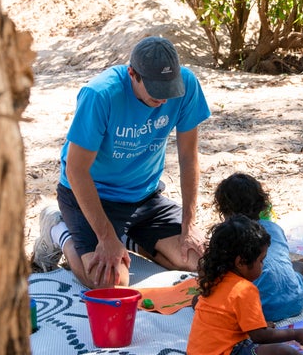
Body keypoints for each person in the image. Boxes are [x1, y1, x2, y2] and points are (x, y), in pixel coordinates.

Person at [31, 36, 210, 289]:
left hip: (144, 197)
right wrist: (105, 236)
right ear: (132, 74)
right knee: (109, 283)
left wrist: (188, 225)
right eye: (156, 91)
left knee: (201, 261)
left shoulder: (188, 84)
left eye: (169, 89)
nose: (164, 100)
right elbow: (76, 170)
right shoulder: (101, 94)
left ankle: (127, 237)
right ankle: (58, 230)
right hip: (92, 196)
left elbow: (188, 156)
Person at [187, 216, 303, 355]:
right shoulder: (244, 289)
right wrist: (296, 333)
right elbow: (259, 337)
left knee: (272, 342)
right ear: (240, 262)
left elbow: (224, 315)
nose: (263, 266)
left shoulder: (215, 277)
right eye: (261, 260)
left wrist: (261, 328)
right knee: (283, 353)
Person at [213, 173, 303, 322]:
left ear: (223, 209)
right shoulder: (274, 228)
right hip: (295, 300)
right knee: (298, 265)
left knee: (203, 298)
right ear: (262, 203)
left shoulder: (230, 236)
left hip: (258, 310)